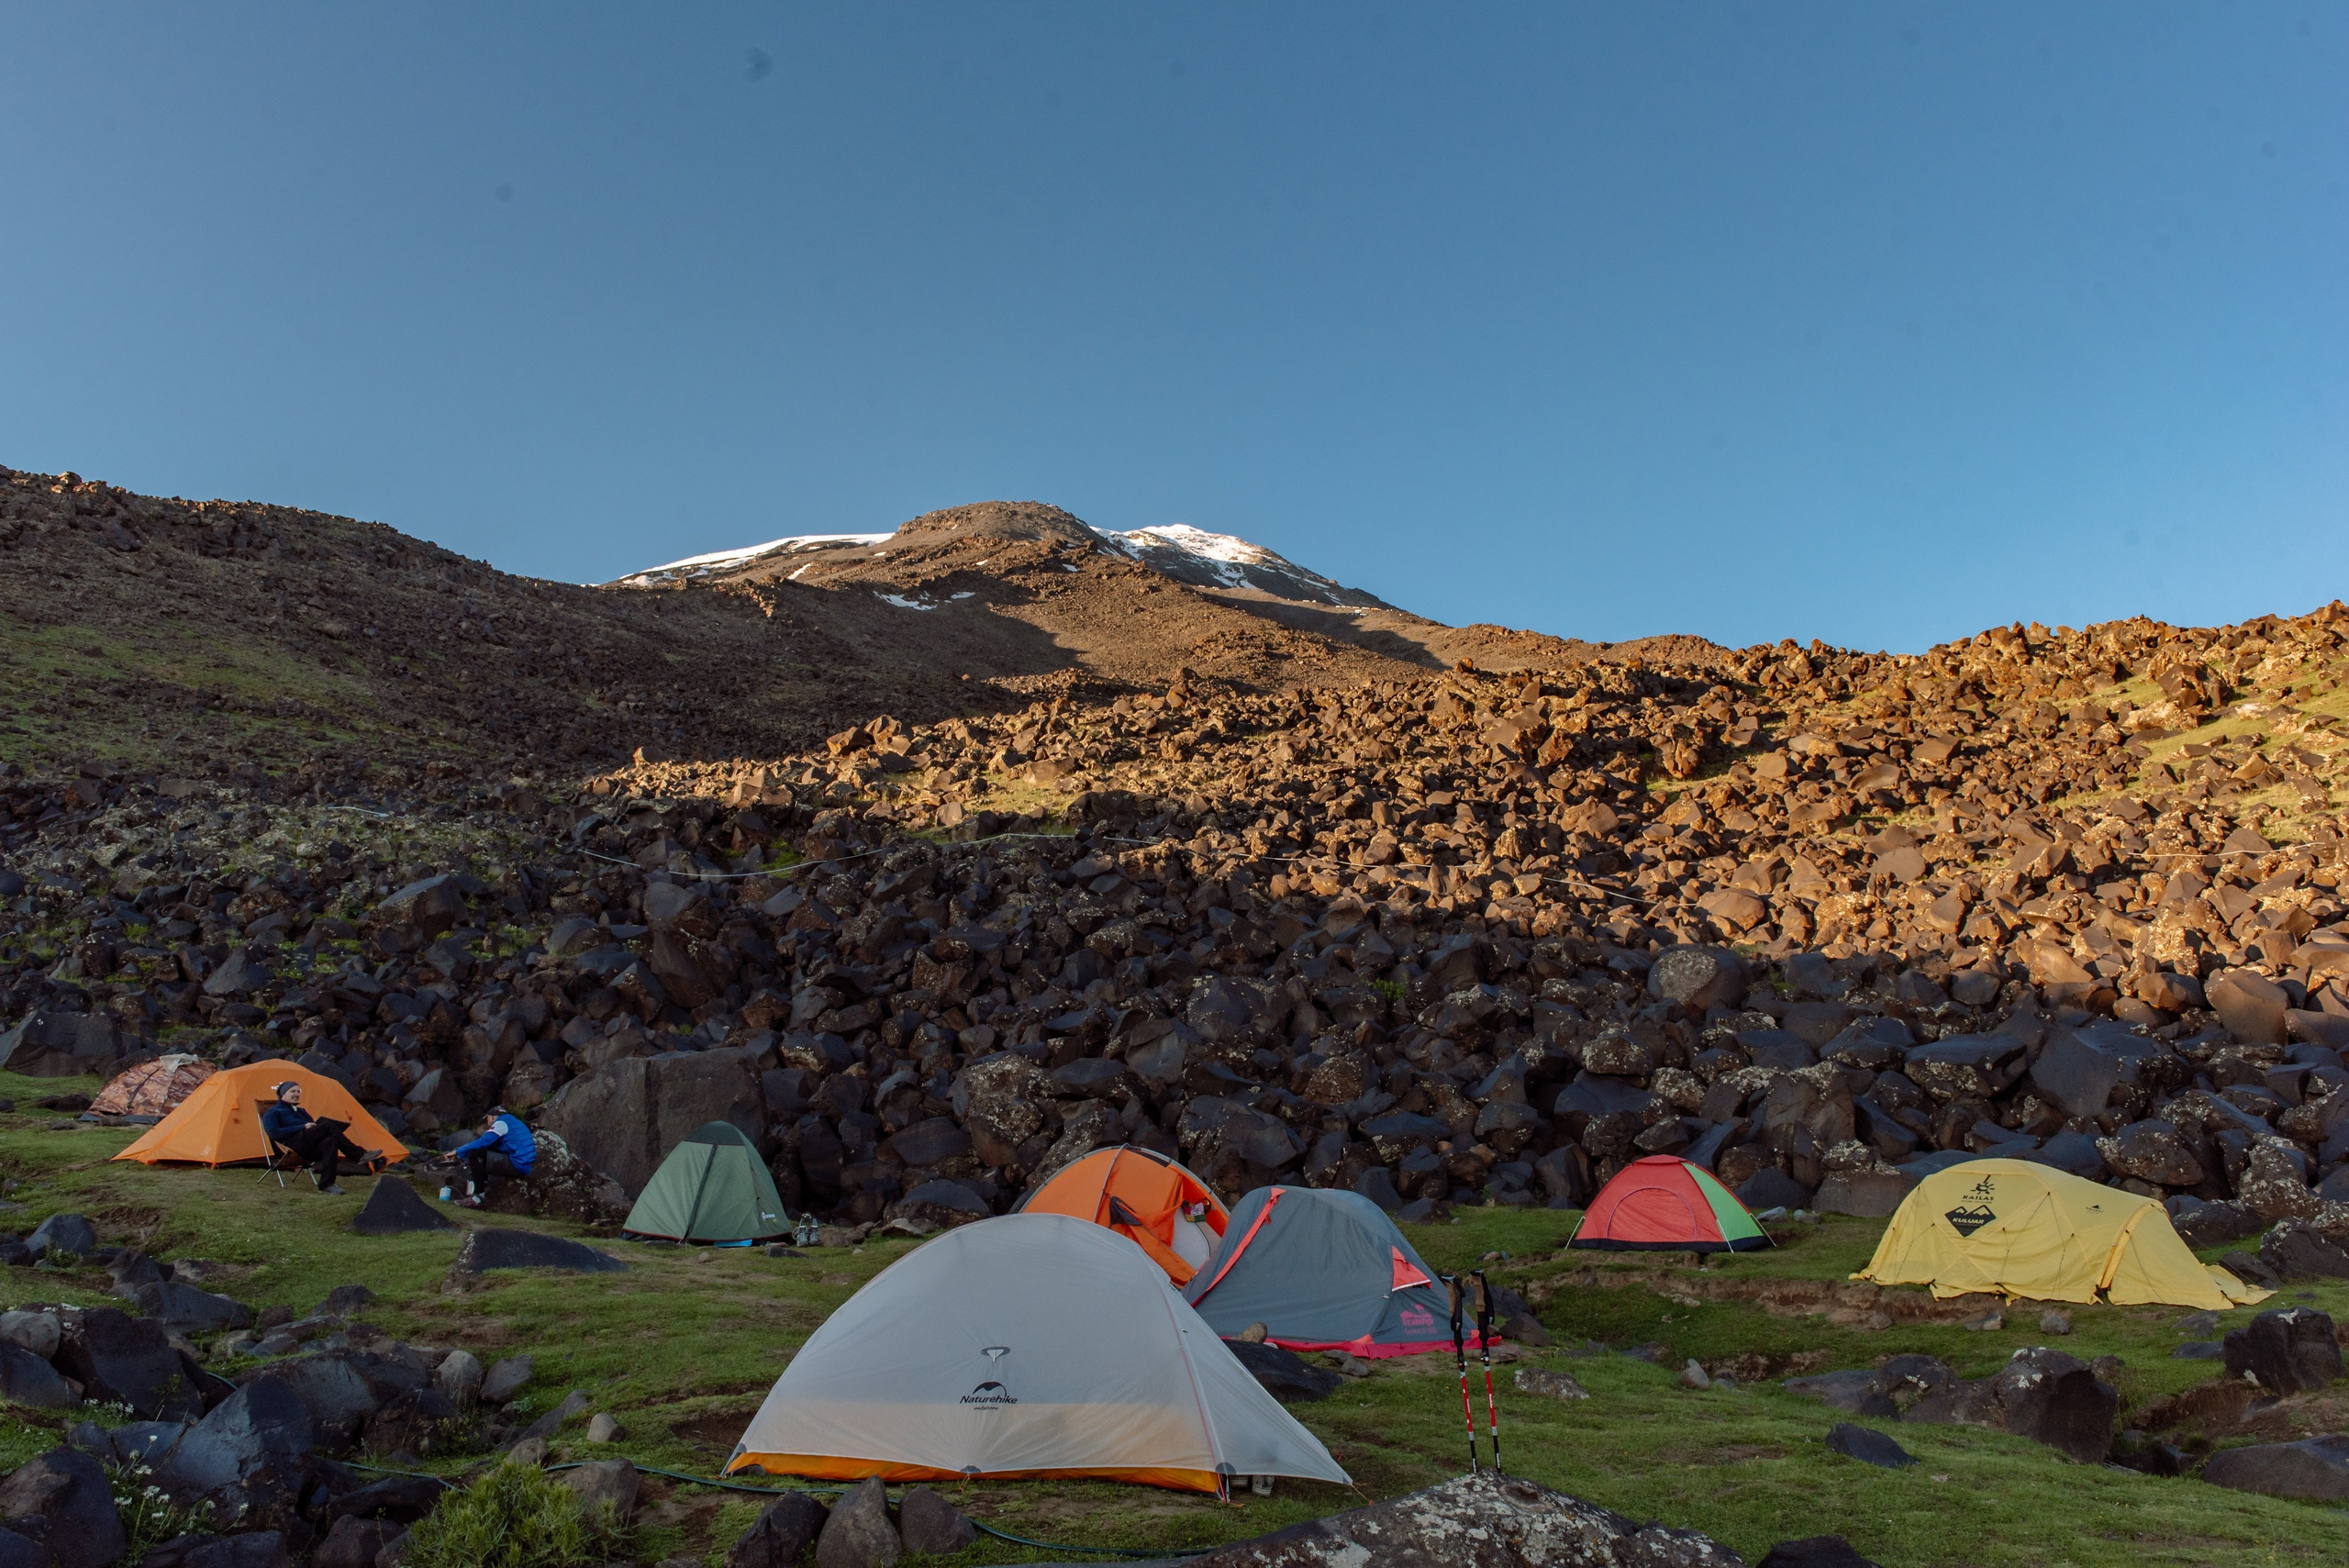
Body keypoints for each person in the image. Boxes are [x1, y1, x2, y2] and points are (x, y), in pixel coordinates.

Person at [259, 1082, 379, 1195]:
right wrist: (302, 1127)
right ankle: (358, 1155)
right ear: (282, 1094)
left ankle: (327, 1184)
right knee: (327, 1126)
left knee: (330, 1141)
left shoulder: (301, 1111)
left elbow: (313, 1129)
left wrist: (312, 1127)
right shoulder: (273, 1112)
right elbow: (273, 1133)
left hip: (308, 1147)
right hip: (291, 1146)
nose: (296, 1094)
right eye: (292, 1091)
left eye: (298, 1091)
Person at [449, 1106, 537, 1208]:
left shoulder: (501, 1123)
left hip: (517, 1165)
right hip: (524, 1165)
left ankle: (478, 1198)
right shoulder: (513, 1122)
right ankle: (483, 1184)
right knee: (488, 1147)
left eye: (487, 1119)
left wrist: (458, 1152)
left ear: (490, 1117)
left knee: (474, 1153)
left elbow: (483, 1142)